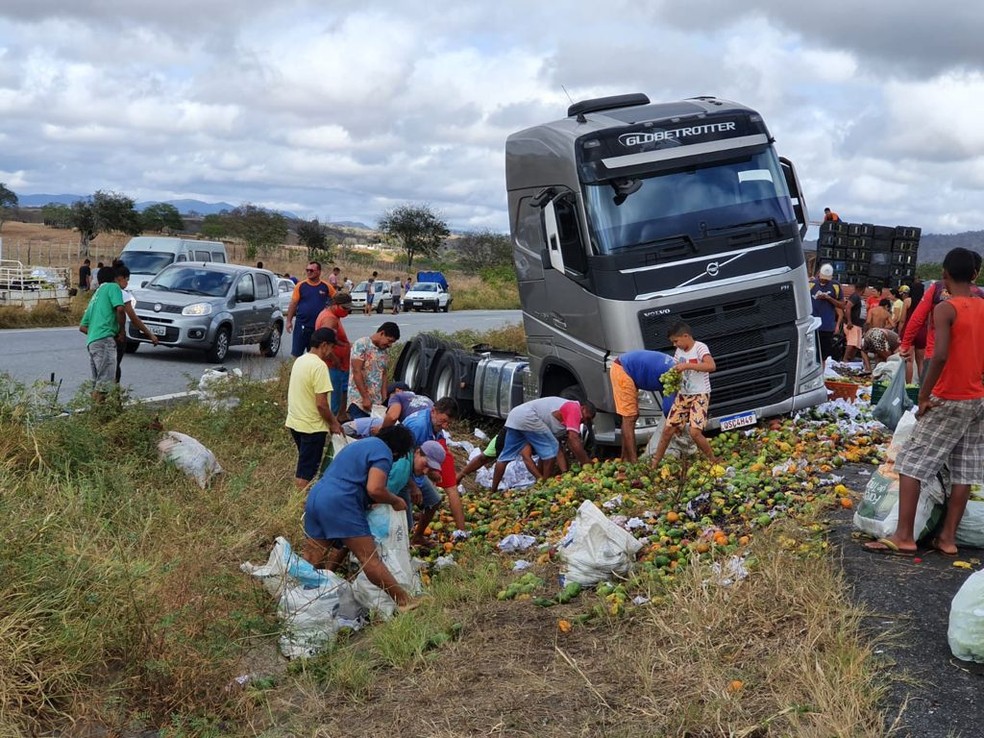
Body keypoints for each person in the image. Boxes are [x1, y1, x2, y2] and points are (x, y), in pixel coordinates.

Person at [864, 247, 984, 557]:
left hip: (949, 397)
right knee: (964, 470)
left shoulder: (946, 309)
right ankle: (947, 539)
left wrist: (924, 395)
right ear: (975, 275)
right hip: (977, 398)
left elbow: (940, 354)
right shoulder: (983, 307)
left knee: (910, 464)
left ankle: (904, 535)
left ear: (944, 274)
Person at [302, 425, 418, 611]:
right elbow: (375, 488)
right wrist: (395, 500)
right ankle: (404, 600)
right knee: (370, 559)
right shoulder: (384, 452)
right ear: (397, 451)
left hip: (318, 497)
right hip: (341, 502)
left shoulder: (361, 444)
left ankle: (298, 603)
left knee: (311, 558)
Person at [649, 323, 720, 467]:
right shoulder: (678, 353)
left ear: (686, 336)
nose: (675, 345)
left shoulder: (700, 348)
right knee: (668, 429)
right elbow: (677, 368)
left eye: (676, 341)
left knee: (695, 432)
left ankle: (713, 461)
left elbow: (711, 366)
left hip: (700, 394)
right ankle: (654, 463)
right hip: (683, 395)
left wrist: (687, 366)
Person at [491, 397, 595, 493]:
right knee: (551, 450)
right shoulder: (574, 408)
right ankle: (545, 486)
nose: (585, 421)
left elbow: (569, 443)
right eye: (587, 417)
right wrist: (586, 462)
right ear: (583, 408)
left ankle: (492, 491)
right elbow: (573, 438)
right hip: (528, 416)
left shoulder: (565, 411)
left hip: (515, 415)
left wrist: (565, 472)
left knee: (504, 457)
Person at [285, 328, 344, 491]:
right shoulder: (319, 366)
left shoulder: (301, 360)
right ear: (324, 345)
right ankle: (299, 506)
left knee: (305, 463)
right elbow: (321, 404)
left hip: (295, 422)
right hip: (312, 427)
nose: (331, 352)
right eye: (332, 347)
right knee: (306, 473)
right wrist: (333, 423)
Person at [401, 398, 465, 540]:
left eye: (449, 423)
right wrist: (412, 486)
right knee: (404, 515)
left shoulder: (435, 425)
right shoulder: (418, 427)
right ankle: (403, 545)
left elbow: (424, 454)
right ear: (434, 411)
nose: (446, 426)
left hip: (416, 470)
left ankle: (417, 537)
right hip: (402, 472)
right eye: (443, 421)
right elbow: (402, 459)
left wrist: (431, 472)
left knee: (434, 500)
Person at [609, 349, 674, 462]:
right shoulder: (674, 378)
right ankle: (634, 462)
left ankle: (625, 459)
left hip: (630, 367)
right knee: (629, 418)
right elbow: (668, 410)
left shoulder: (674, 368)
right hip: (623, 369)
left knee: (630, 417)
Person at [79, 265, 126, 403]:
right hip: (105, 340)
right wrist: (121, 331)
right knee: (105, 383)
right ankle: (96, 417)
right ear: (114, 279)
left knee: (98, 383)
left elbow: (82, 327)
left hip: (92, 342)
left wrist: (96, 333)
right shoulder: (113, 287)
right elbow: (120, 309)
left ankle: (95, 415)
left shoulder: (96, 295)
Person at [110, 260, 159, 383]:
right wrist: (150, 334)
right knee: (115, 369)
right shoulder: (123, 294)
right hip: (116, 336)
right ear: (120, 278)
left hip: (102, 335)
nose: (127, 283)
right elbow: (133, 318)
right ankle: (115, 398)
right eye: (127, 279)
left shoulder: (102, 292)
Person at [388, 440, 447, 536]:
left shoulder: (408, 461)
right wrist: (396, 501)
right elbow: (378, 496)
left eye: (430, 469)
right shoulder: (401, 470)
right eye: (425, 464)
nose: (425, 471)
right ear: (418, 452)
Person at [348, 322, 401, 420]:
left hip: (376, 403)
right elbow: (356, 371)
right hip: (359, 401)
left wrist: (385, 398)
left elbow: (383, 374)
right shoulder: (361, 344)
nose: (389, 345)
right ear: (382, 333)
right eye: (389, 341)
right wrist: (365, 397)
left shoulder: (384, 351)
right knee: (360, 430)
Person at [315, 292, 354, 420]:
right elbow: (324, 340)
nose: (347, 312)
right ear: (335, 305)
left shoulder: (331, 315)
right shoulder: (330, 319)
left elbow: (333, 338)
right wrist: (334, 358)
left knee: (340, 394)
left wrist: (345, 344)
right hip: (334, 365)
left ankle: (340, 417)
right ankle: (332, 424)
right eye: (345, 308)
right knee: (334, 401)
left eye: (349, 309)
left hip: (339, 365)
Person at [286, 261, 333, 357]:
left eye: (311, 270)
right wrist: (288, 321)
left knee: (315, 355)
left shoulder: (326, 286)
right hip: (302, 326)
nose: (309, 272)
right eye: (307, 270)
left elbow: (336, 299)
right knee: (296, 354)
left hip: (318, 327)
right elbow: (293, 304)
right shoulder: (300, 286)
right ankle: (295, 371)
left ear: (319, 272)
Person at [455, 431, 538, 486]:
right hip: (510, 435)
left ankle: (460, 476)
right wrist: (542, 480)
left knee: (486, 458)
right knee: (487, 458)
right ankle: (459, 476)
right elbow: (527, 458)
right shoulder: (516, 435)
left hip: (511, 434)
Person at [809, 264, 843, 362]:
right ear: (819, 274)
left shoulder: (835, 286)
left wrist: (829, 298)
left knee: (823, 355)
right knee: (811, 353)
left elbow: (842, 305)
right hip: (812, 325)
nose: (824, 281)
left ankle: (822, 374)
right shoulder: (811, 284)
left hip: (827, 326)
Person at [841, 282, 865, 363]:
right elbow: (848, 308)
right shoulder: (855, 297)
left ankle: (851, 358)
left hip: (858, 325)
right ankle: (845, 358)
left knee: (856, 344)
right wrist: (849, 321)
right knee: (852, 342)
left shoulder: (858, 297)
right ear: (863, 289)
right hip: (853, 324)